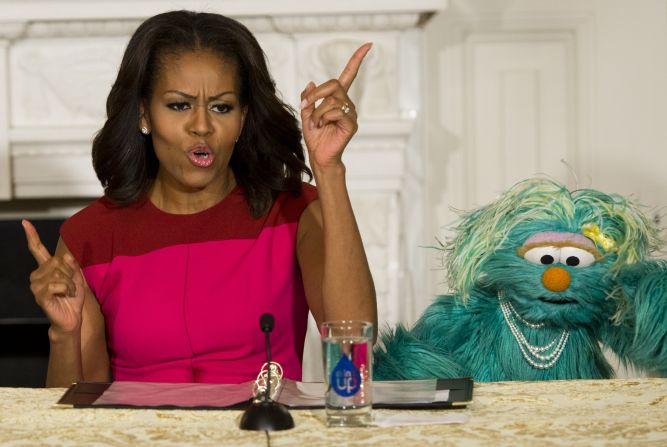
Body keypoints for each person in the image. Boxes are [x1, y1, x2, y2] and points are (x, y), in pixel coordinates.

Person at [22, 10, 377, 387]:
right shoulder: (90, 235)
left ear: (243, 118)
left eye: (221, 107)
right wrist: (63, 335)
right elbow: (76, 419)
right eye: (178, 105)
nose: (202, 125)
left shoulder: (294, 213)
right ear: (144, 113)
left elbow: (353, 362)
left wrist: (329, 169)